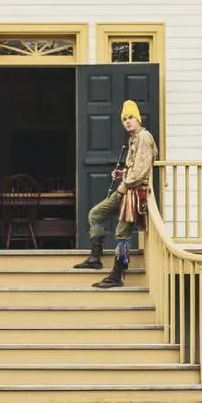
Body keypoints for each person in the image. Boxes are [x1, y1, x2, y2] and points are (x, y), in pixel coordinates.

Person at [73, 100, 158, 289]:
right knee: (95, 214)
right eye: (124, 119)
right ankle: (95, 257)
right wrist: (121, 174)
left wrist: (124, 183)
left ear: (138, 119)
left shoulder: (144, 137)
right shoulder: (132, 140)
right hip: (125, 189)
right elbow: (133, 168)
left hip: (134, 193)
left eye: (130, 118)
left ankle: (117, 274)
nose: (127, 122)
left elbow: (142, 170)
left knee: (122, 233)